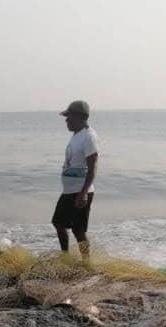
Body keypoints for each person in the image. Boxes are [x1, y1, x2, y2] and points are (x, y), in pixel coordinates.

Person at [52, 100, 99, 258]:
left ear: (80, 117)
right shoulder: (76, 135)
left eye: (69, 116)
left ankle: (86, 262)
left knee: (78, 230)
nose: (66, 120)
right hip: (69, 191)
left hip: (80, 191)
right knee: (58, 223)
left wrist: (84, 192)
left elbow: (93, 168)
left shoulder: (89, 137)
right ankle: (65, 256)